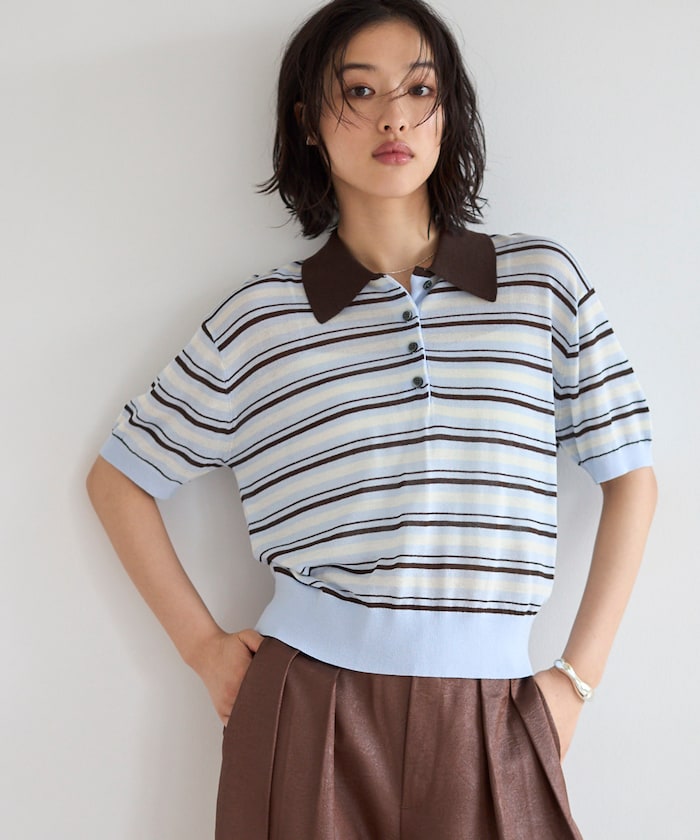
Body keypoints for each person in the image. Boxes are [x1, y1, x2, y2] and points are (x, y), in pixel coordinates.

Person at [86, 0, 657, 837]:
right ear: (308, 122)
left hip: (498, 708)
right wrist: (202, 648)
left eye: (418, 89)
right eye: (359, 90)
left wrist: (575, 681)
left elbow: (632, 478)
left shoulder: (540, 284)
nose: (393, 116)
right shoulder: (261, 318)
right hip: (306, 704)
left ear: (448, 112)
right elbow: (119, 481)